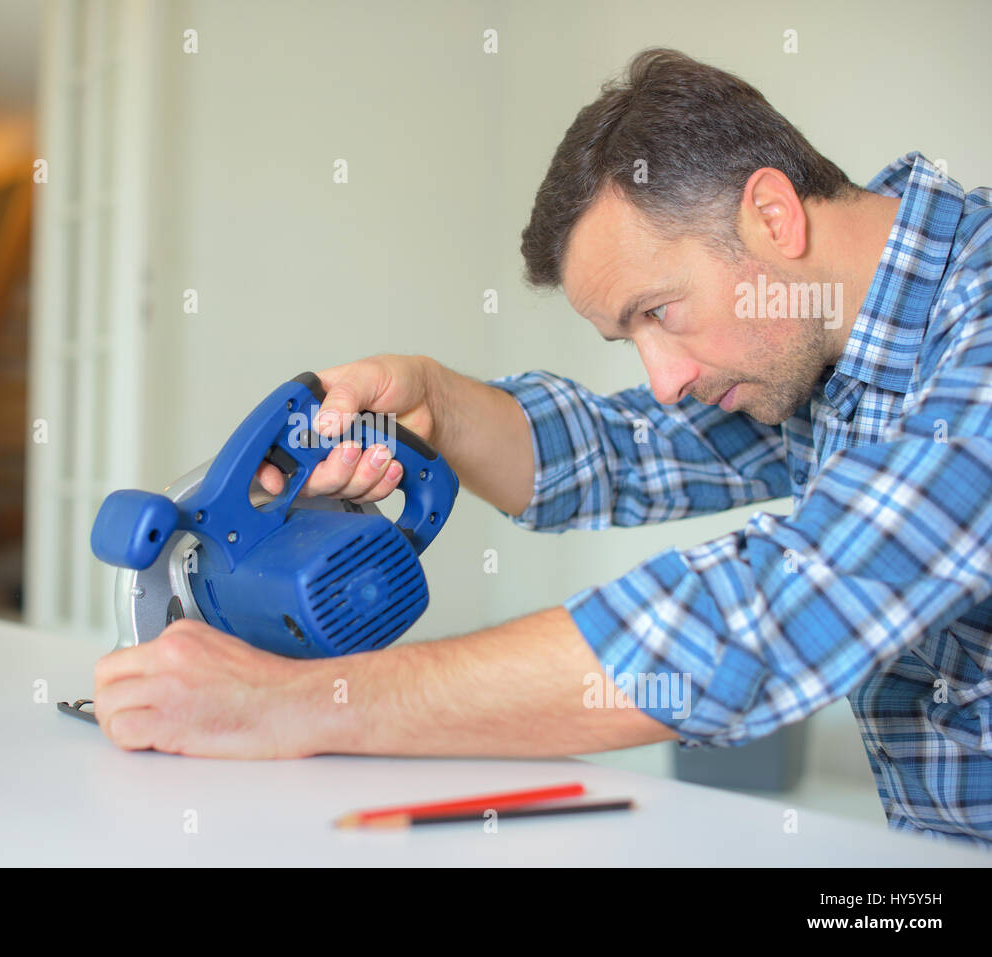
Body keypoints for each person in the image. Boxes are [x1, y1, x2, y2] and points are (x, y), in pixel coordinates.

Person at [92, 50, 992, 847]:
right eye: (628, 338)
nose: (665, 376)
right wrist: (435, 402)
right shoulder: (829, 345)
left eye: (657, 312)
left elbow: (771, 613)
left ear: (771, 214)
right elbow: (627, 448)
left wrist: (294, 704)